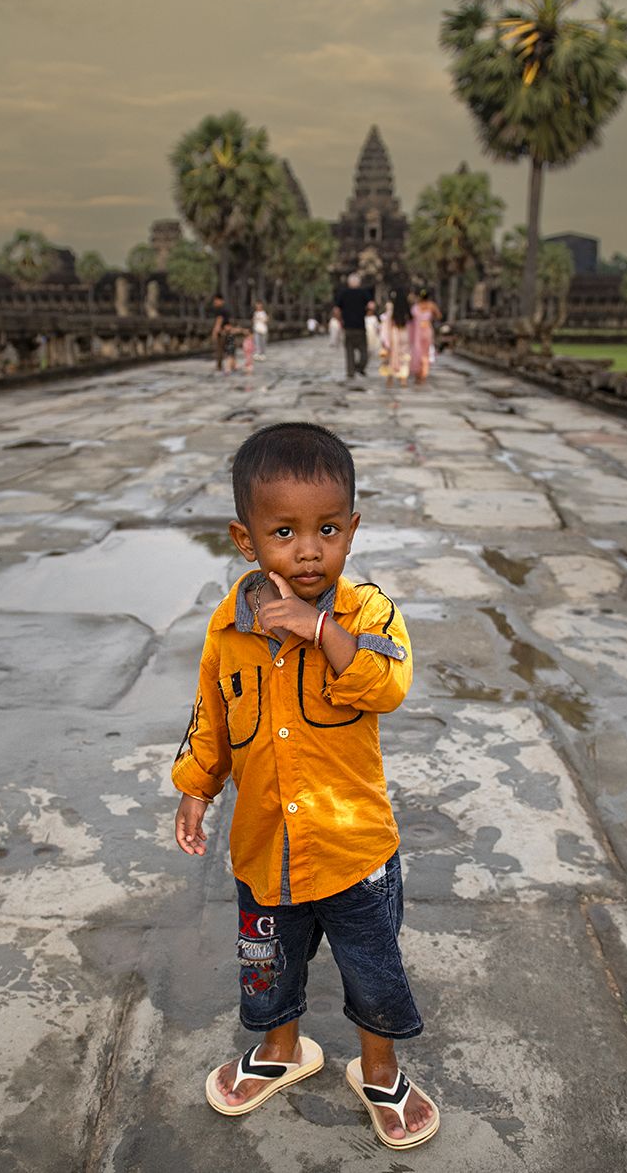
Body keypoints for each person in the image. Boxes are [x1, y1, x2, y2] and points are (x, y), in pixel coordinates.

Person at [172, 422, 439, 1151]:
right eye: (284, 531)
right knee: (268, 965)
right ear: (245, 538)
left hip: (353, 850)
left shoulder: (368, 614)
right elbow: (211, 717)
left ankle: (379, 1069)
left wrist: (320, 629)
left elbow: (389, 683)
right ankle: (283, 1048)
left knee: (373, 971)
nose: (309, 549)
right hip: (265, 850)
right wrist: (196, 786)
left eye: (327, 528)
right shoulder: (228, 632)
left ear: (352, 529)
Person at [332, 274, 375, 378]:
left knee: (349, 352)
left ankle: (350, 372)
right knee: (364, 352)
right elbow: (371, 306)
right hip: (360, 326)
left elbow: (336, 310)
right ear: (359, 283)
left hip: (348, 327)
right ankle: (359, 367)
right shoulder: (364, 293)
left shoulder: (343, 293)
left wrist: (340, 320)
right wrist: (368, 314)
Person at [409, 289, 441, 383]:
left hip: (418, 331)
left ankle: (418, 372)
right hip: (427, 329)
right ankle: (424, 373)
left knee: (417, 351)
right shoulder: (431, 306)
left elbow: (410, 319)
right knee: (425, 352)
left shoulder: (416, 307)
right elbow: (439, 316)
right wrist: (431, 318)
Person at [381, 291, 411, 383]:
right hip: (405, 334)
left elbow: (386, 324)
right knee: (404, 356)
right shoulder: (407, 310)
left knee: (391, 356)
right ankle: (403, 378)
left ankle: (390, 378)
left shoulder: (391, 309)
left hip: (394, 334)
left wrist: (384, 338)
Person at [210, 293, 232, 374]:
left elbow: (219, 321)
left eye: (216, 301)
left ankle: (219, 366)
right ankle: (226, 365)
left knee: (219, 349)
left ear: (220, 300)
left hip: (222, 332)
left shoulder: (220, 310)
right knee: (226, 349)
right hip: (226, 331)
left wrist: (215, 332)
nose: (214, 302)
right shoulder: (226, 309)